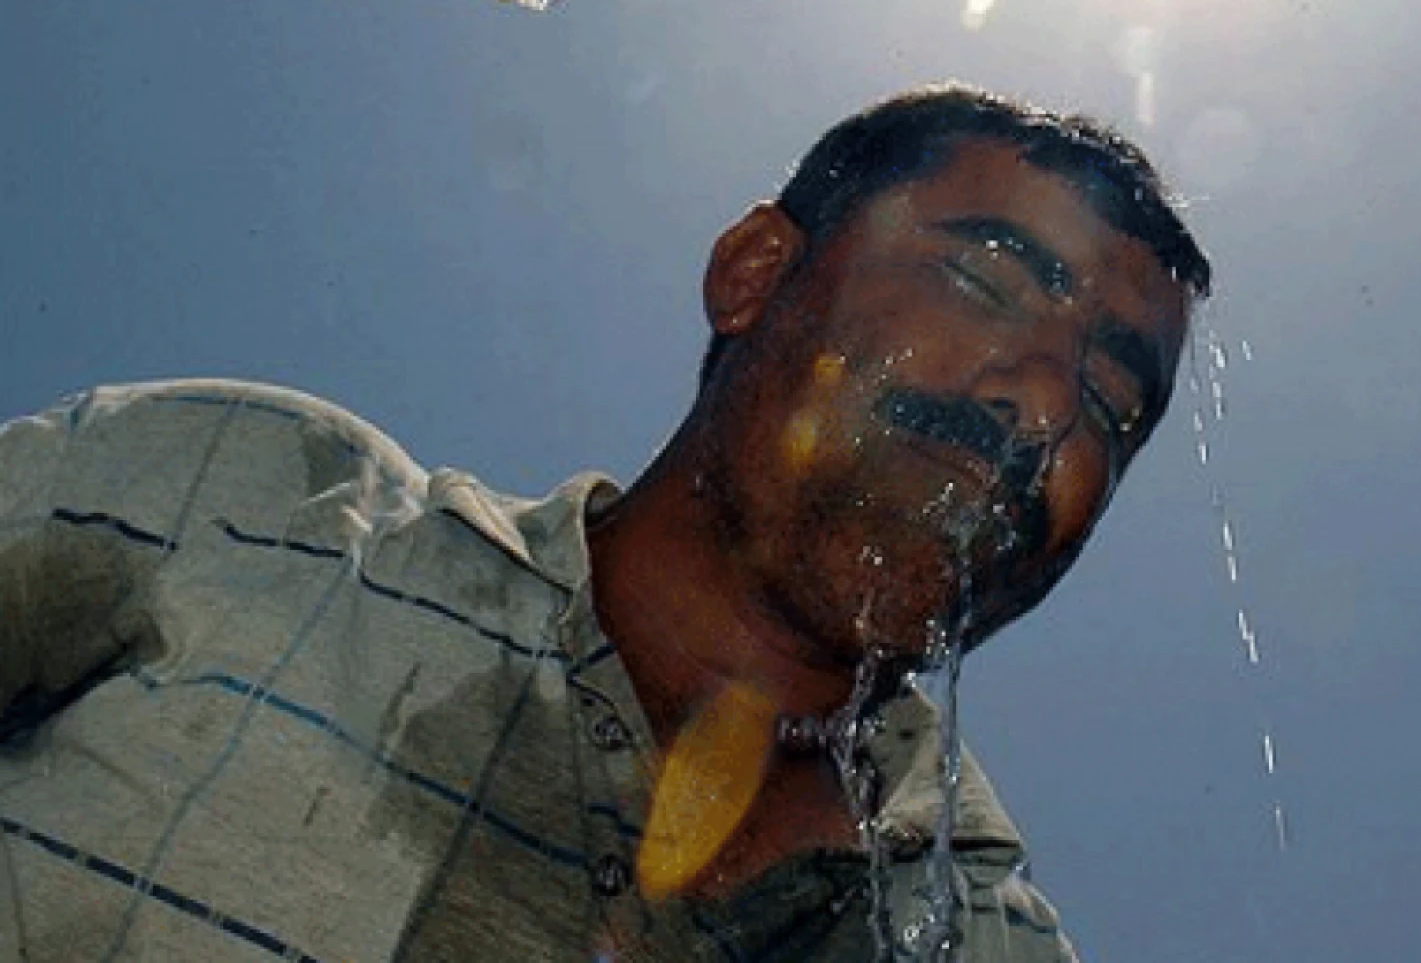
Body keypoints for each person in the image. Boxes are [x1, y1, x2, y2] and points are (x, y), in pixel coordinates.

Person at [0, 85, 1211, 961]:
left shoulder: (983, 942)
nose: (1045, 406)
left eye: (1113, 405)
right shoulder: (239, 500)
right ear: (753, 271)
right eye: (983, 282)